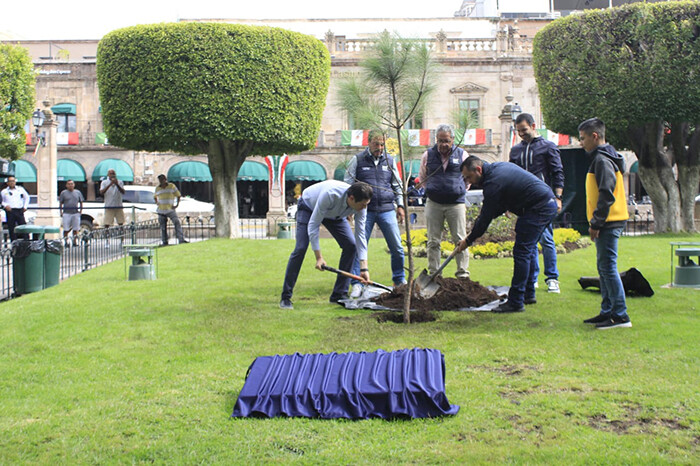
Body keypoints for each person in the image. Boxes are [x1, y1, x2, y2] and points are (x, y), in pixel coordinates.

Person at [456, 156, 558, 313]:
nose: (469, 182)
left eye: (469, 177)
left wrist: (468, 240)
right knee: (528, 250)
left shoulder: (493, 182)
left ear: (478, 169)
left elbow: (485, 217)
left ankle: (516, 301)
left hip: (539, 208)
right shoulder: (497, 169)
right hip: (544, 204)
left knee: (522, 251)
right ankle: (528, 294)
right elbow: (498, 207)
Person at [280, 180, 373, 310]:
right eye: (362, 205)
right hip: (309, 207)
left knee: (351, 246)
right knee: (300, 248)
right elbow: (313, 225)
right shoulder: (330, 194)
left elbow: (360, 235)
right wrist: (319, 257)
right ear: (351, 198)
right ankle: (286, 297)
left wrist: (364, 268)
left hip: (335, 215)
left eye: (366, 205)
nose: (364, 208)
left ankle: (339, 294)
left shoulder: (361, 203)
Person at [578, 117, 631, 329]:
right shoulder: (606, 156)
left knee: (608, 267)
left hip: (609, 221)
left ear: (595, 136)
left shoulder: (602, 160)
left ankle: (620, 315)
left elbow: (606, 193)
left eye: (583, 138)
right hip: (610, 219)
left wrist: (597, 222)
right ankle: (608, 311)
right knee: (604, 267)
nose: (581, 143)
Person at [344, 130, 405, 297]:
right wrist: (348, 208)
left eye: (382, 144)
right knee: (359, 247)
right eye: (376, 144)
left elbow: (397, 185)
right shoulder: (357, 160)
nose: (380, 148)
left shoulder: (390, 160)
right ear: (369, 142)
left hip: (386, 209)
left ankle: (399, 281)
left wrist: (400, 205)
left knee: (397, 248)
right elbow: (348, 184)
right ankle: (357, 282)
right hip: (364, 210)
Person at [509, 113, 565, 293]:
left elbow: (557, 172)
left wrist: (558, 197)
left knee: (546, 239)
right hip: (524, 202)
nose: (522, 134)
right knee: (528, 241)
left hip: (543, 201)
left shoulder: (548, 147)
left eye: (524, 130)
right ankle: (532, 279)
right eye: (518, 131)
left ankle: (552, 278)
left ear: (533, 126)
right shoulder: (516, 150)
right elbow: (511, 175)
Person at [418, 124, 469, 278]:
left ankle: (462, 273)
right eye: (440, 141)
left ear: (452, 140)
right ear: (436, 140)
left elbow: (468, 177)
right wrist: (432, 190)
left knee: (460, 239)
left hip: (456, 203)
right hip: (434, 203)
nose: (443, 144)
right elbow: (422, 177)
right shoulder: (428, 155)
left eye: (446, 141)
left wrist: (459, 190)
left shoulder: (462, 155)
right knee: (433, 241)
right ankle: (434, 273)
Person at [153, 174, 188, 246]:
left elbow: (178, 195)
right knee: (163, 227)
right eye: (160, 180)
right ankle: (164, 241)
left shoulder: (171, 186)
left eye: (162, 179)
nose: (161, 181)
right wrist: (157, 202)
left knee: (176, 223)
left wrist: (177, 204)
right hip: (161, 210)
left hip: (170, 209)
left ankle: (181, 239)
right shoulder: (157, 188)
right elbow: (155, 196)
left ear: (165, 179)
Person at [1, 176, 30, 241]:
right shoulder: (4, 191)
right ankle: (13, 242)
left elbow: (27, 197)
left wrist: (25, 206)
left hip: (19, 210)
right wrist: (5, 205)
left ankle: (26, 241)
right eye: (10, 181)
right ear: (7, 183)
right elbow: (2, 201)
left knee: (23, 226)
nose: (12, 183)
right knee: (11, 227)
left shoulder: (20, 189)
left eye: (13, 181)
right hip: (10, 211)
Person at [58, 180, 84, 246]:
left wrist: (80, 211)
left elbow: (81, 202)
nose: (70, 185)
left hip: (75, 213)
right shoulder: (63, 193)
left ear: (74, 185)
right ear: (66, 185)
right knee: (66, 229)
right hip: (66, 213)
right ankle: (66, 241)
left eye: (72, 184)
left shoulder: (78, 192)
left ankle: (75, 241)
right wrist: (61, 212)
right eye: (69, 184)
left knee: (76, 228)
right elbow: (61, 203)